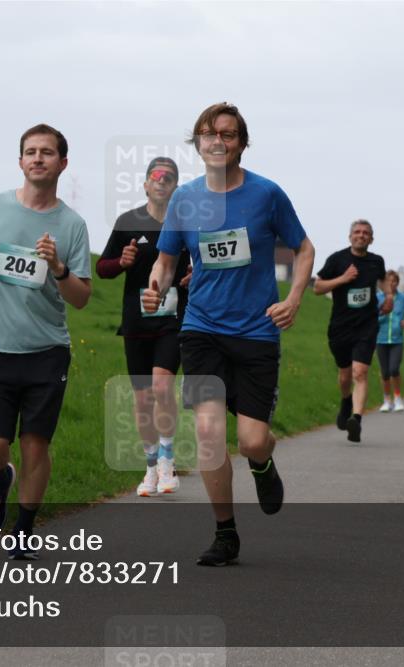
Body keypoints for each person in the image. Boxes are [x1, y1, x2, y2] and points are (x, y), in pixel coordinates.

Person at [143, 102, 314, 566]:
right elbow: (167, 259)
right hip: (202, 329)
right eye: (208, 133)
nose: (218, 141)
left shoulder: (266, 194)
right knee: (209, 433)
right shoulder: (184, 199)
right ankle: (225, 533)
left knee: (253, 440)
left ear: (241, 142)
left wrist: (294, 298)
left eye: (228, 134)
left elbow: (303, 247)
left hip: (257, 331)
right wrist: (155, 287)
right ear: (197, 142)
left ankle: (262, 463)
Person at [0, 124, 92, 560]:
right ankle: (0, 479)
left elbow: (82, 298)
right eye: (30, 152)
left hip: (46, 350)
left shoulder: (71, 225)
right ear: (20, 162)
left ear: (62, 163)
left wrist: (57, 268)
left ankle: (24, 528)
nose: (38, 158)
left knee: (36, 443)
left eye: (47, 153)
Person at [97, 157, 191, 496]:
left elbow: (202, 265)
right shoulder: (128, 221)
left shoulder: (186, 223)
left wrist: (193, 275)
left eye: (169, 177)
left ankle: (167, 459)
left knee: (162, 386)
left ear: (176, 187)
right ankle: (150, 467)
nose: (162, 181)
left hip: (173, 319)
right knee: (142, 400)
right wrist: (121, 262)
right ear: (146, 184)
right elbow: (102, 268)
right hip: (136, 322)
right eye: (156, 176)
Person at [314, 221, 392, 440]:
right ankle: (346, 400)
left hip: (367, 325)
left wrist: (389, 296)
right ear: (350, 237)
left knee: (360, 371)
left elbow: (383, 280)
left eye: (366, 233)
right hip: (340, 326)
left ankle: (356, 420)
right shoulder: (337, 260)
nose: (361, 235)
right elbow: (318, 288)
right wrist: (343, 279)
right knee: (345, 375)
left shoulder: (377, 261)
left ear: (371, 239)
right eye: (357, 232)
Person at [375, 270, 404, 413]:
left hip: (397, 340)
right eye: (388, 281)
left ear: (398, 282)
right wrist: (381, 315)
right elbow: (372, 316)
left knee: (394, 369)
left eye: (394, 281)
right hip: (381, 338)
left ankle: (398, 399)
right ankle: (386, 400)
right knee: (385, 372)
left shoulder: (403, 298)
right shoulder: (378, 297)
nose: (391, 284)